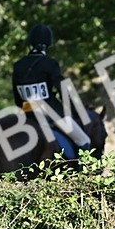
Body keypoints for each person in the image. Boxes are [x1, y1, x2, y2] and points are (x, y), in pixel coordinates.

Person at [11, 23, 87, 160]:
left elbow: (18, 99)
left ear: (30, 43)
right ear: (48, 44)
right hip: (51, 113)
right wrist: (73, 111)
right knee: (83, 140)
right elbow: (62, 89)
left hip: (27, 112)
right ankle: (82, 172)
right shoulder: (50, 64)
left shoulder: (18, 66)